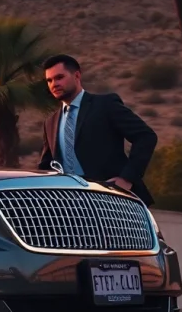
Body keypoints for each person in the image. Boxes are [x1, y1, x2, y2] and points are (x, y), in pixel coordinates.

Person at [37, 54, 158, 206]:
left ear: (77, 75)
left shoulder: (105, 105)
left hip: (113, 199)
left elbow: (145, 136)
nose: (54, 84)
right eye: (49, 80)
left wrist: (126, 179)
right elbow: (46, 165)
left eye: (59, 77)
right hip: (71, 204)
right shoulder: (50, 122)